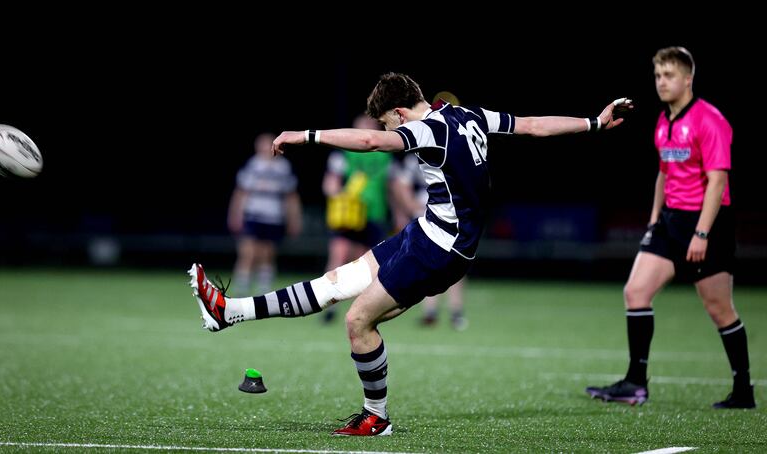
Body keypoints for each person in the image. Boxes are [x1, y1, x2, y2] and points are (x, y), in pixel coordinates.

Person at [189, 72, 631, 436]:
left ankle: (376, 416)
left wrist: (306, 135)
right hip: (424, 233)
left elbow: (369, 144)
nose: (386, 131)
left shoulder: (426, 129)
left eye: (385, 122)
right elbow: (534, 125)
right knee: (335, 283)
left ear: (399, 111)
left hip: (442, 249)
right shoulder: (469, 114)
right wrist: (594, 122)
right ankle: (229, 311)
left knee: (357, 321)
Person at [586, 47, 755, 409]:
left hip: (707, 223)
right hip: (670, 222)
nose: (662, 82)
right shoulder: (664, 122)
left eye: (669, 75)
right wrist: (652, 221)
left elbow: (717, 182)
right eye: (658, 75)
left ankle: (744, 391)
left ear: (688, 79)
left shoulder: (710, 120)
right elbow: (664, 174)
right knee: (636, 292)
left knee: (719, 308)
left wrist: (702, 233)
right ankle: (635, 383)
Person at [321, 114, 392, 323]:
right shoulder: (343, 153)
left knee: (368, 265)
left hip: (374, 213)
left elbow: (392, 186)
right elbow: (331, 181)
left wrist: (400, 212)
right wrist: (338, 198)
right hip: (350, 214)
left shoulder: (384, 154)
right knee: (339, 256)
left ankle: (362, 311)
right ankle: (327, 306)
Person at [391, 151, 467, 330]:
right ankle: (431, 311)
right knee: (431, 262)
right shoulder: (418, 156)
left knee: (454, 261)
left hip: (451, 216)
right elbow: (401, 184)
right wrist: (410, 206)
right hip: (428, 216)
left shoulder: (452, 153)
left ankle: (456, 311)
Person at [227, 132, 302, 296]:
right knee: (248, 252)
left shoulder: (283, 167)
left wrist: (294, 219)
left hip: (273, 217)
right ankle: (241, 290)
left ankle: (263, 291)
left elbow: (291, 196)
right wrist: (235, 214)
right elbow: (241, 192)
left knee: (267, 254)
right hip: (253, 214)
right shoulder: (253, 165)